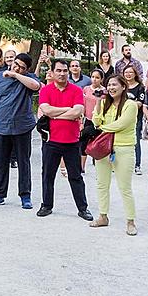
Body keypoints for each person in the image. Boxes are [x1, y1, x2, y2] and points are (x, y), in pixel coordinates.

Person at [0, 52, 41, 209]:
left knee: (23, 162)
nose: (17, 67)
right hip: (1, 127)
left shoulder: (28, 78)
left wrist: (16, 74)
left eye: (22, 67)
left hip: (22, 127)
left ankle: (25, 195)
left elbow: (36, 86)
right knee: (1, 162)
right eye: (16, 64)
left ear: (27, 69)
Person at [37, 59, 92, 220]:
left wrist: (55, 114)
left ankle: (83, 208)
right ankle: (46, 205)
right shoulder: (46, 90)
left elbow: (78, 112)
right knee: (48, 175)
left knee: (75, 176)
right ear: (52, 73)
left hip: (72, 141)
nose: (62, 74)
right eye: (59, 71)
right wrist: (68, 110)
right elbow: (45, 110)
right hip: (51, 140)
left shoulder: (76, 90)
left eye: (65, 71)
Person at [90, 75, 138, 235]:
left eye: (114, 84)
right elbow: (95, 121)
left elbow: (122, 124)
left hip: (124, 148)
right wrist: (97, 102)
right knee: (102, 184)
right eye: (109, 85)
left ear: (123, 86)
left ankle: (130, 221)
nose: (111, 87)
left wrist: (103, 128)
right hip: (103, 149)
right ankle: (103, 216)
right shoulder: (104, 103)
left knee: (124, 187)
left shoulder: (130, 105)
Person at [122, 65, 146, 175]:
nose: (128, 74)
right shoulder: (121, 85)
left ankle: (137, 165)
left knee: (136, 141)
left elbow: (140, 103)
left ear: (135, 74)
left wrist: (126, 104)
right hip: (121, 117)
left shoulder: (140, 87)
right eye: (126, 72)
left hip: (136, 118)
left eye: (130, 72)